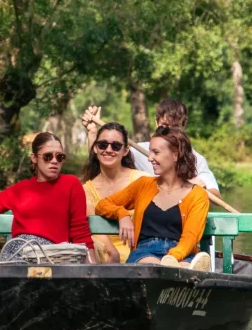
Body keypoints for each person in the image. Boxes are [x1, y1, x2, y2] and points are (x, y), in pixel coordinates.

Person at [0, 132, 97, 264]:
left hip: (46, 259)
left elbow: (81, 233)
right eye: (48, 156)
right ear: (34, 158)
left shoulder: (70, 183)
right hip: (11, 256)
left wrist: (93, 273)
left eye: (60, 156)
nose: (54, 161)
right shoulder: (21, 189)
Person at [95, 127, 211, 270]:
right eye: (150, 152)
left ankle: (184, 270)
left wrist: (172, 257)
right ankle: (179, 271)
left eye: (155, 152)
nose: (150, 158)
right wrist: (121, 214)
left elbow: (190, 237)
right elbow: (102, 205)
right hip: (146, 252)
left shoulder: (198, 195)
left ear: (175, 155)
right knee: (154, 270)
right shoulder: (143, 185)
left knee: (180, 269)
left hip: (182, 253)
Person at [81, 99, 221, 199]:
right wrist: (92, 132)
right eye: (164, 126)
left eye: (175, 127)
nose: (169, 133)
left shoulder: (196, 159)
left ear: (184, 124)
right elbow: (101, 161)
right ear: (156, 122)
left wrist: (191, 187)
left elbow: (215, 196)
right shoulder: (138, 151)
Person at [82, 122, 150, 263]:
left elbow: (169, 187)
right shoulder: (86, 191)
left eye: (116, 146)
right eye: (102, 145)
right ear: (95, 148)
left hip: (140, 254)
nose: (108, 149)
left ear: (125, 151)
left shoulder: (141, 180)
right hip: (104, 259)